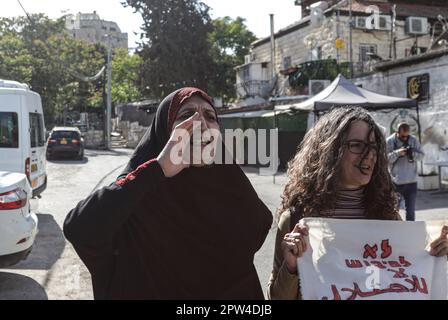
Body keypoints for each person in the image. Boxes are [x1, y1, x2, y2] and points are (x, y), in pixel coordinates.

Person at [64, 87, 273, 299]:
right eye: (186, 116)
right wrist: (158, 169)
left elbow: (260, 223)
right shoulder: (135, 198)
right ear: (165, 132)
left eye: (210, 116)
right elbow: (79, 229)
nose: (200, 123)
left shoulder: (231, 191)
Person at [267, 107, 447, 300]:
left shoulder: (388, 217)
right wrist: (291, 267)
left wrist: (435, 257)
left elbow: (406, 284)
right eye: (357, 145)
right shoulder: (296, 221)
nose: (369, 154)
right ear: (329, 150)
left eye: (373, 147)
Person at [386, 122, 424, 221]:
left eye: (407, 136)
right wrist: (397, 153)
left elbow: (422, 156)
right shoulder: (390, 141)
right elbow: (385, 159)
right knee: (394, 210)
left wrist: (411, 153)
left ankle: (410, 232)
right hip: (396, 182)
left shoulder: (413, 140)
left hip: (411, 182)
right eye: (403, 136)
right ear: (397, 132)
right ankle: (394, 232)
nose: (405, 139)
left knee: (410, 211)